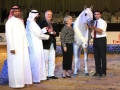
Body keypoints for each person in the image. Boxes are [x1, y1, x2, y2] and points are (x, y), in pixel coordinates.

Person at [5, 6, 32, 88]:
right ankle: (16, 84)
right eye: (15, 11)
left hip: (22, 47)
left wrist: (27, 44)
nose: (17, 12)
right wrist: (12, 47)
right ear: (12, 12)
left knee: (23, 64)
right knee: (16, 65)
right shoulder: (9, 22)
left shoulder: (20, 21)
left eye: (18, 11)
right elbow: (9, 36)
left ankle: (23, 81)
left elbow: (24, 34)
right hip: (15, 48)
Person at [26, 10, 49, 83]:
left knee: (38, 60)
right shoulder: (31, 24)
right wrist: (48, 36)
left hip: (37, 44)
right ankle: (35, 78)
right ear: (34, 15)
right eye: (37, 15)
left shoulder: (32, 23)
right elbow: (39, 35)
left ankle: (38, 77)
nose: (38, 16)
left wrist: (45, 29)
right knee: (36, 61)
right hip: (34, 45)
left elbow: (38, 32)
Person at [39, 10, 59, 79]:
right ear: (45, 15)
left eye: (50, 14)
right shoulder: (41, 23)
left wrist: (53, 32)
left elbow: (57, 33)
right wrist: (48, 32)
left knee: (52, 60)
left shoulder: (54, 23)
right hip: (45, 44)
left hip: (52, 44)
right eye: (48, 14)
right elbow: (40, 33)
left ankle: (51, 74)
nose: (49, 15)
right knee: (45, 60)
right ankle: (45, 74)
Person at [89, 10, 107, 77]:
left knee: (102, 56)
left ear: (100, 15)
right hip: (95, 40)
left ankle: (103, 72)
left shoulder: (103, 22)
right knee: (96, 56)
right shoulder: (93, 22)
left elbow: (100, 31)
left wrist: (93, 27)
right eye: (95, 14)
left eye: (98, 14)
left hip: (101, 39)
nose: (96, 15)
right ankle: (98, 71)